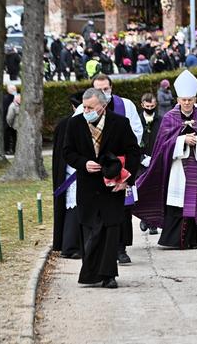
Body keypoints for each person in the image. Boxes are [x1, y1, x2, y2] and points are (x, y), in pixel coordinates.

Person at [63, 88, 140, 289]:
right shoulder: (75, 123)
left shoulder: (120, 124)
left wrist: (127, 180)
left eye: (90, 107)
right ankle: (91, 273)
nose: (85, 110)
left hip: (112, 185)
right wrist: (83, 163)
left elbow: (133, 152)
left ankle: (108, 275)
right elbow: (67, 152)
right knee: (92, 230)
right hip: (87, 187)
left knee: (110, 230)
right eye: (84, 106)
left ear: (103, 106)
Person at [135, 70, 197, 249]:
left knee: (196, 203)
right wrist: (182, 140)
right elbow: (162, 146)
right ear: (177, 100)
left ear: (195, 99)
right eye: (183, 99)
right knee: (179, 205)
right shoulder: (170, 117)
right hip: (178, 168)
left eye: (190, 99)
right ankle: (177, 240)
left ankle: (191, 240)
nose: (187, 103)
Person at [74, 74, 143, 264]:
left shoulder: (125, 105)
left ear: (111, 87)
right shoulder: (83, 109)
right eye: (99, 89)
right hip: (94, 171)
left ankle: (120, 248)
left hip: (119, 166)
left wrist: (120, 159)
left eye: (106, 88)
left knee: (122, 211)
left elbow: (136, 131)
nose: (103, 92)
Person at [52, 92, 84, 259]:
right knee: (73, 206)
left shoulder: (64, 124)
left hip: (77, 171)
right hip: (73, 173)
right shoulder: (67, 124)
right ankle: (71, 245)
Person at [136, 93, 162, 235]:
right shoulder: (136, 121)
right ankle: (144, 218)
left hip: (156, 160)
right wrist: (141, 158)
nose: (150, 109)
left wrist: (156, 158)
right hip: (141, 162)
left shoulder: (161, 121)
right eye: (147, 107)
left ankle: (153, 223)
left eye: (152, 106)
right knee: (142, 191)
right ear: (142, 105)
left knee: (155, 192)